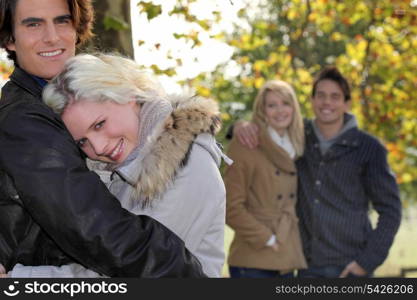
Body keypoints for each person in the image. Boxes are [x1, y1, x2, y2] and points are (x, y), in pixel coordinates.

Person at [0, 0, 205, 277]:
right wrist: (184, 272)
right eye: (33, 24)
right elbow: (94, 228)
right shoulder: (26, 119)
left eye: (62, 21)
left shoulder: (57, 104)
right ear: (9, 39)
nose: (52, 36)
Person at [232, 67, 401, 278]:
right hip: (305, 266)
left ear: (347, 103)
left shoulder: (369, 148)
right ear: (311, 101)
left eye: (335, 97)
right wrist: (240, 126)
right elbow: (266, 133)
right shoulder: (299, 139)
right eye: (320, 96)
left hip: (349, 267)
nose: (327, 103)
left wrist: (366, 262)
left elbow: (391, 211)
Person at [224, 80, 307, 278]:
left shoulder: (298, 143)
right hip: (253, 259)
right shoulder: (246, 143)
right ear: (262, 110)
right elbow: (230, 207)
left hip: (286, 255)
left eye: (285, 103)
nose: (280, 111)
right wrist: (267, 238)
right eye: (272, 105)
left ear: (294, 108)